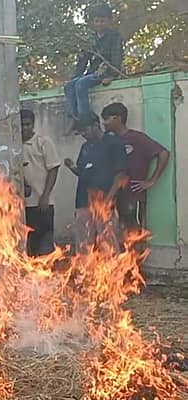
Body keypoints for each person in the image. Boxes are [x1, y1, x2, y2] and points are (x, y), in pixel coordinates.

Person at [100, 102, 171, 237]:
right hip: (112, 197)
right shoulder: (107, 141)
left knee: (134, 236)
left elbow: (164, 153)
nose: (104, 123)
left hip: (133, 197)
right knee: (113, 236)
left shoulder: (137, 138)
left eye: (107, 119)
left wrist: (152, 180)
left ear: (118, 118)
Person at [63, 113, 127, 250]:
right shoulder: (85, 147)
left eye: (84, 130)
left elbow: (121, 175)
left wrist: (109, 200)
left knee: (108, 241)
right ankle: (85, 270)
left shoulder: (113, 142)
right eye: (80, 132)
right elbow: (82, 173)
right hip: (83, 202)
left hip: (104, 201)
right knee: (83, 243)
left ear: (96, 125)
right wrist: (72, 167)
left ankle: (113, 271)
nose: (83, 134)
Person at [64, 4, 122, 124]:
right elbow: (83, 61)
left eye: (102, 21)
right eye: (97, 21)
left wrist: (110, 76)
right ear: (92, 22)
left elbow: (117, 57)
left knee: (81, 84)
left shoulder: (115, 37)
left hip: (104, 71)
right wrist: (75, 76)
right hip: (92, 73)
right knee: (70, 85)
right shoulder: (91, 39)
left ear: (109, 21)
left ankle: (86, 120)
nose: (99, 24)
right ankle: (74, 119)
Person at [21, 109, 62, 256]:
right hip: (22, 206)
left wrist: (45, 196)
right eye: (21, 125)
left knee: (45, 243)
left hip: (42, 203)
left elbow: (53, 169)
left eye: (27, 124)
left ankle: (47, 275)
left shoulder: (43, 142)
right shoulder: (14, 146)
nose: (24, 128)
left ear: (33, 124)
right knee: (29, 245)